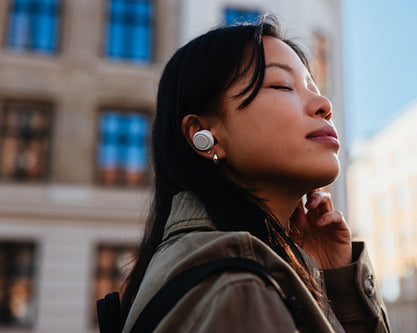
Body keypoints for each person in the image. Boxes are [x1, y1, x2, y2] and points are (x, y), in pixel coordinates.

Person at [120, 16, 391, 333]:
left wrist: (334, 282)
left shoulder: (234, 274)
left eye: (313, 88)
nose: (323, 104)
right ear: (204, 134)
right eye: (281, 85)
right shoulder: (236, 289)